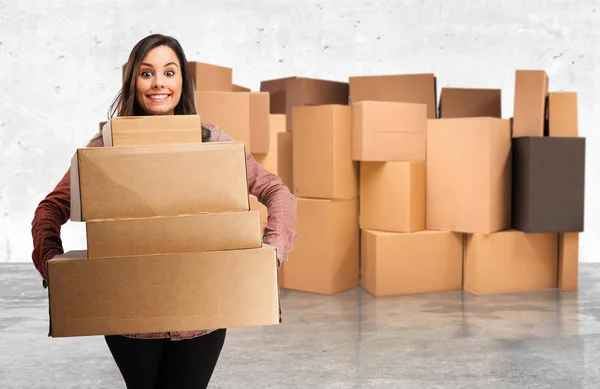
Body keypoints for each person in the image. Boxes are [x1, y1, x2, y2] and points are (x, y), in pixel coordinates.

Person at [30, 33, 298, 389]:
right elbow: (51, 207)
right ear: (133, 82)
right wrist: (53, 265)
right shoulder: (107, 146)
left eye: (169, 72)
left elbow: (276, 191)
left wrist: (271, 254)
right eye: (147, 73)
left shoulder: (209, 141)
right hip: (129, 316)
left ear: (182, 82)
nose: (159, 83)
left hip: (204, 310)